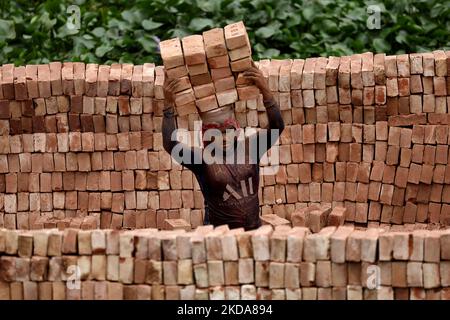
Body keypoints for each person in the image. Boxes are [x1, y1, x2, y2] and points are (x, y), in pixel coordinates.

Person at [162, 63, 284, 230]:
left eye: (228, 131)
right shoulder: (203, 160)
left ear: (236, 128)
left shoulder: (251, 147)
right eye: (216, 133)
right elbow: (171, 145)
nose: (224, 138)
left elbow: (277, 126)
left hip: (254, 233)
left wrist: (265, 91)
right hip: (220, 239)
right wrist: (168, 106)